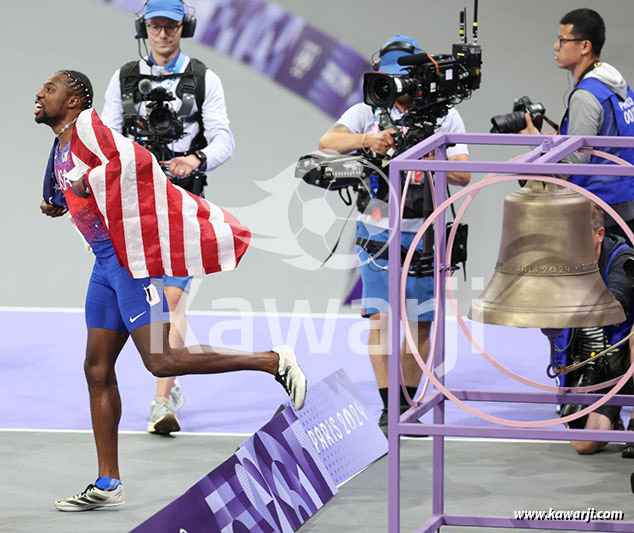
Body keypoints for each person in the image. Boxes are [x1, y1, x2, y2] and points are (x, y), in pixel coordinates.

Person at [35, 69, 306, 511]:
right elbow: (68, 188)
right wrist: (60, 199)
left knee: (162, 361)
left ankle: (272, 361)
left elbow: (133, 160)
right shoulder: (62, 140)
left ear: (74, 99)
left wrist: (91, 182)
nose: (39, 94)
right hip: (104, 266)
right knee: (97, 369)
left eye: (50, 89)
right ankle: (108, 482)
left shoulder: (89, 128)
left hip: (130, 267)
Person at [318, 35, 471, 435]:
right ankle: (390, 407)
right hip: (376, 230)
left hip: (425, 231)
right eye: (388, 78)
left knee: (421, 325)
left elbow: (462, 173)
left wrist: (426, 150)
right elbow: (327, 142)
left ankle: (407, 401)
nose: (395, 86)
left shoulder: (444, 117)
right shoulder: (366, 111)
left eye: (401, 78)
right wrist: (369, 140)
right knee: (382, 322)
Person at [100, 0, 236, 435]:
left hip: (179, 202)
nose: (163, 34)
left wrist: (195, 160)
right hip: (132, 205)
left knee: (172, 299)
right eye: (155, 26)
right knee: (136, 298)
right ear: (145, 28)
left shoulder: (203, 79)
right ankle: (145, 383)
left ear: (185, 28)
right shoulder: (123, 79)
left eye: (171, 26)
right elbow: (105, 137)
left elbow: (223, 139)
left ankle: (163, 398)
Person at [521, 8, 634, 237]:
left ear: (585, 46)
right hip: (625, 203)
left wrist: (535, 144)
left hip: (599, 210)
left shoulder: (586, 95)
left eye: (562, 40)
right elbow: (605, 139)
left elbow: (573, 163)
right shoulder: (616, 85)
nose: (556, 46)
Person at [557, 204, 634, 454]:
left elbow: (617, 301)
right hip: (592, 360)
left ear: (599, 233)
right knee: (584, 445)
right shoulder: (562, 263)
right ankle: (612, 418)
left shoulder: (621, 256)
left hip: (623, 356)